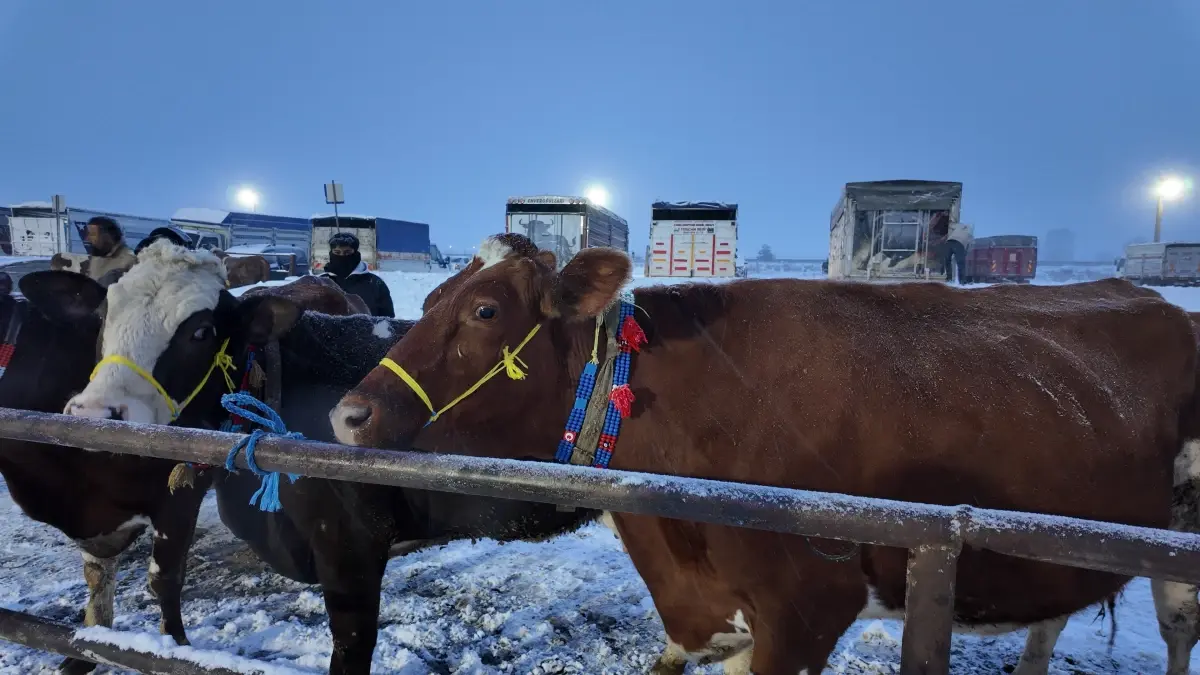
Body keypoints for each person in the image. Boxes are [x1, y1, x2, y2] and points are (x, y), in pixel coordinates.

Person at [318, 232, 394, 317]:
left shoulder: (375, 284)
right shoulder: (320, 283)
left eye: (347, 252)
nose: (342, 256)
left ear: (356, 253)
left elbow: (387, 320)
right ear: (331, 253)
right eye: (337, 252)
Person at [83, 216, 137, 282]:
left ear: (107, 236)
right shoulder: (97, 257)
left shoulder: (129, 260)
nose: (87, 239)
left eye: (92, 234)